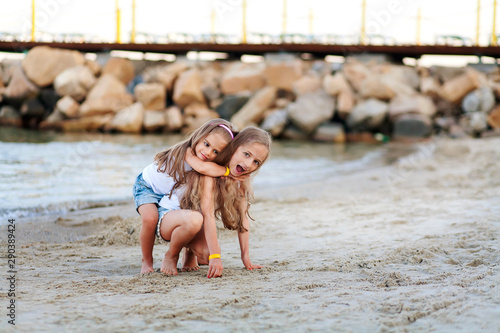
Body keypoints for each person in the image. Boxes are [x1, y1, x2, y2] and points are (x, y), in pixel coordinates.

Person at [157, 126, 272, 278]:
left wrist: (246, 258)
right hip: (168, 218)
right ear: (234, 147)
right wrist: (215, 257)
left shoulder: (241, 181)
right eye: (246, 154)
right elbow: (208, 215)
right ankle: (171, 255)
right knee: (205, 239)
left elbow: (243, 219)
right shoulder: (210, 173)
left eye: (256, 162)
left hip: (191, 220)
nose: (249, 164)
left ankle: (189, 253)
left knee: (205, 255)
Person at [132, 119, 241, 274]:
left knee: (192, 204)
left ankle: (188, 254)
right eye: (207, 144)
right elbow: (202, 166)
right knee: (150, 218)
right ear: (199, 136)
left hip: (168, 193)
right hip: (147, 186)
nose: (208, 153)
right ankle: (147, 261)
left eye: (216, 152)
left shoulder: (206, 168)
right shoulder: (187, 152)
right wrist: (229, 172)